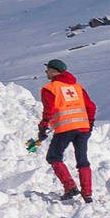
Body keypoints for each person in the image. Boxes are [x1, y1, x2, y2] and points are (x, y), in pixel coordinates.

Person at [32, 58, 97, 202]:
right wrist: (90, 124)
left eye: (48, 69)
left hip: (65, 128)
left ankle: (70, 187)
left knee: (53, 157)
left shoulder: (50, 89)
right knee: (82, 160)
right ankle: (87, 193)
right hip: (83, 128)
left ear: (54, 71)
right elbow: (91, 107)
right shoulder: (77, 87)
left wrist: (42, 127)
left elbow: (48, 111)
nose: (46, 72)